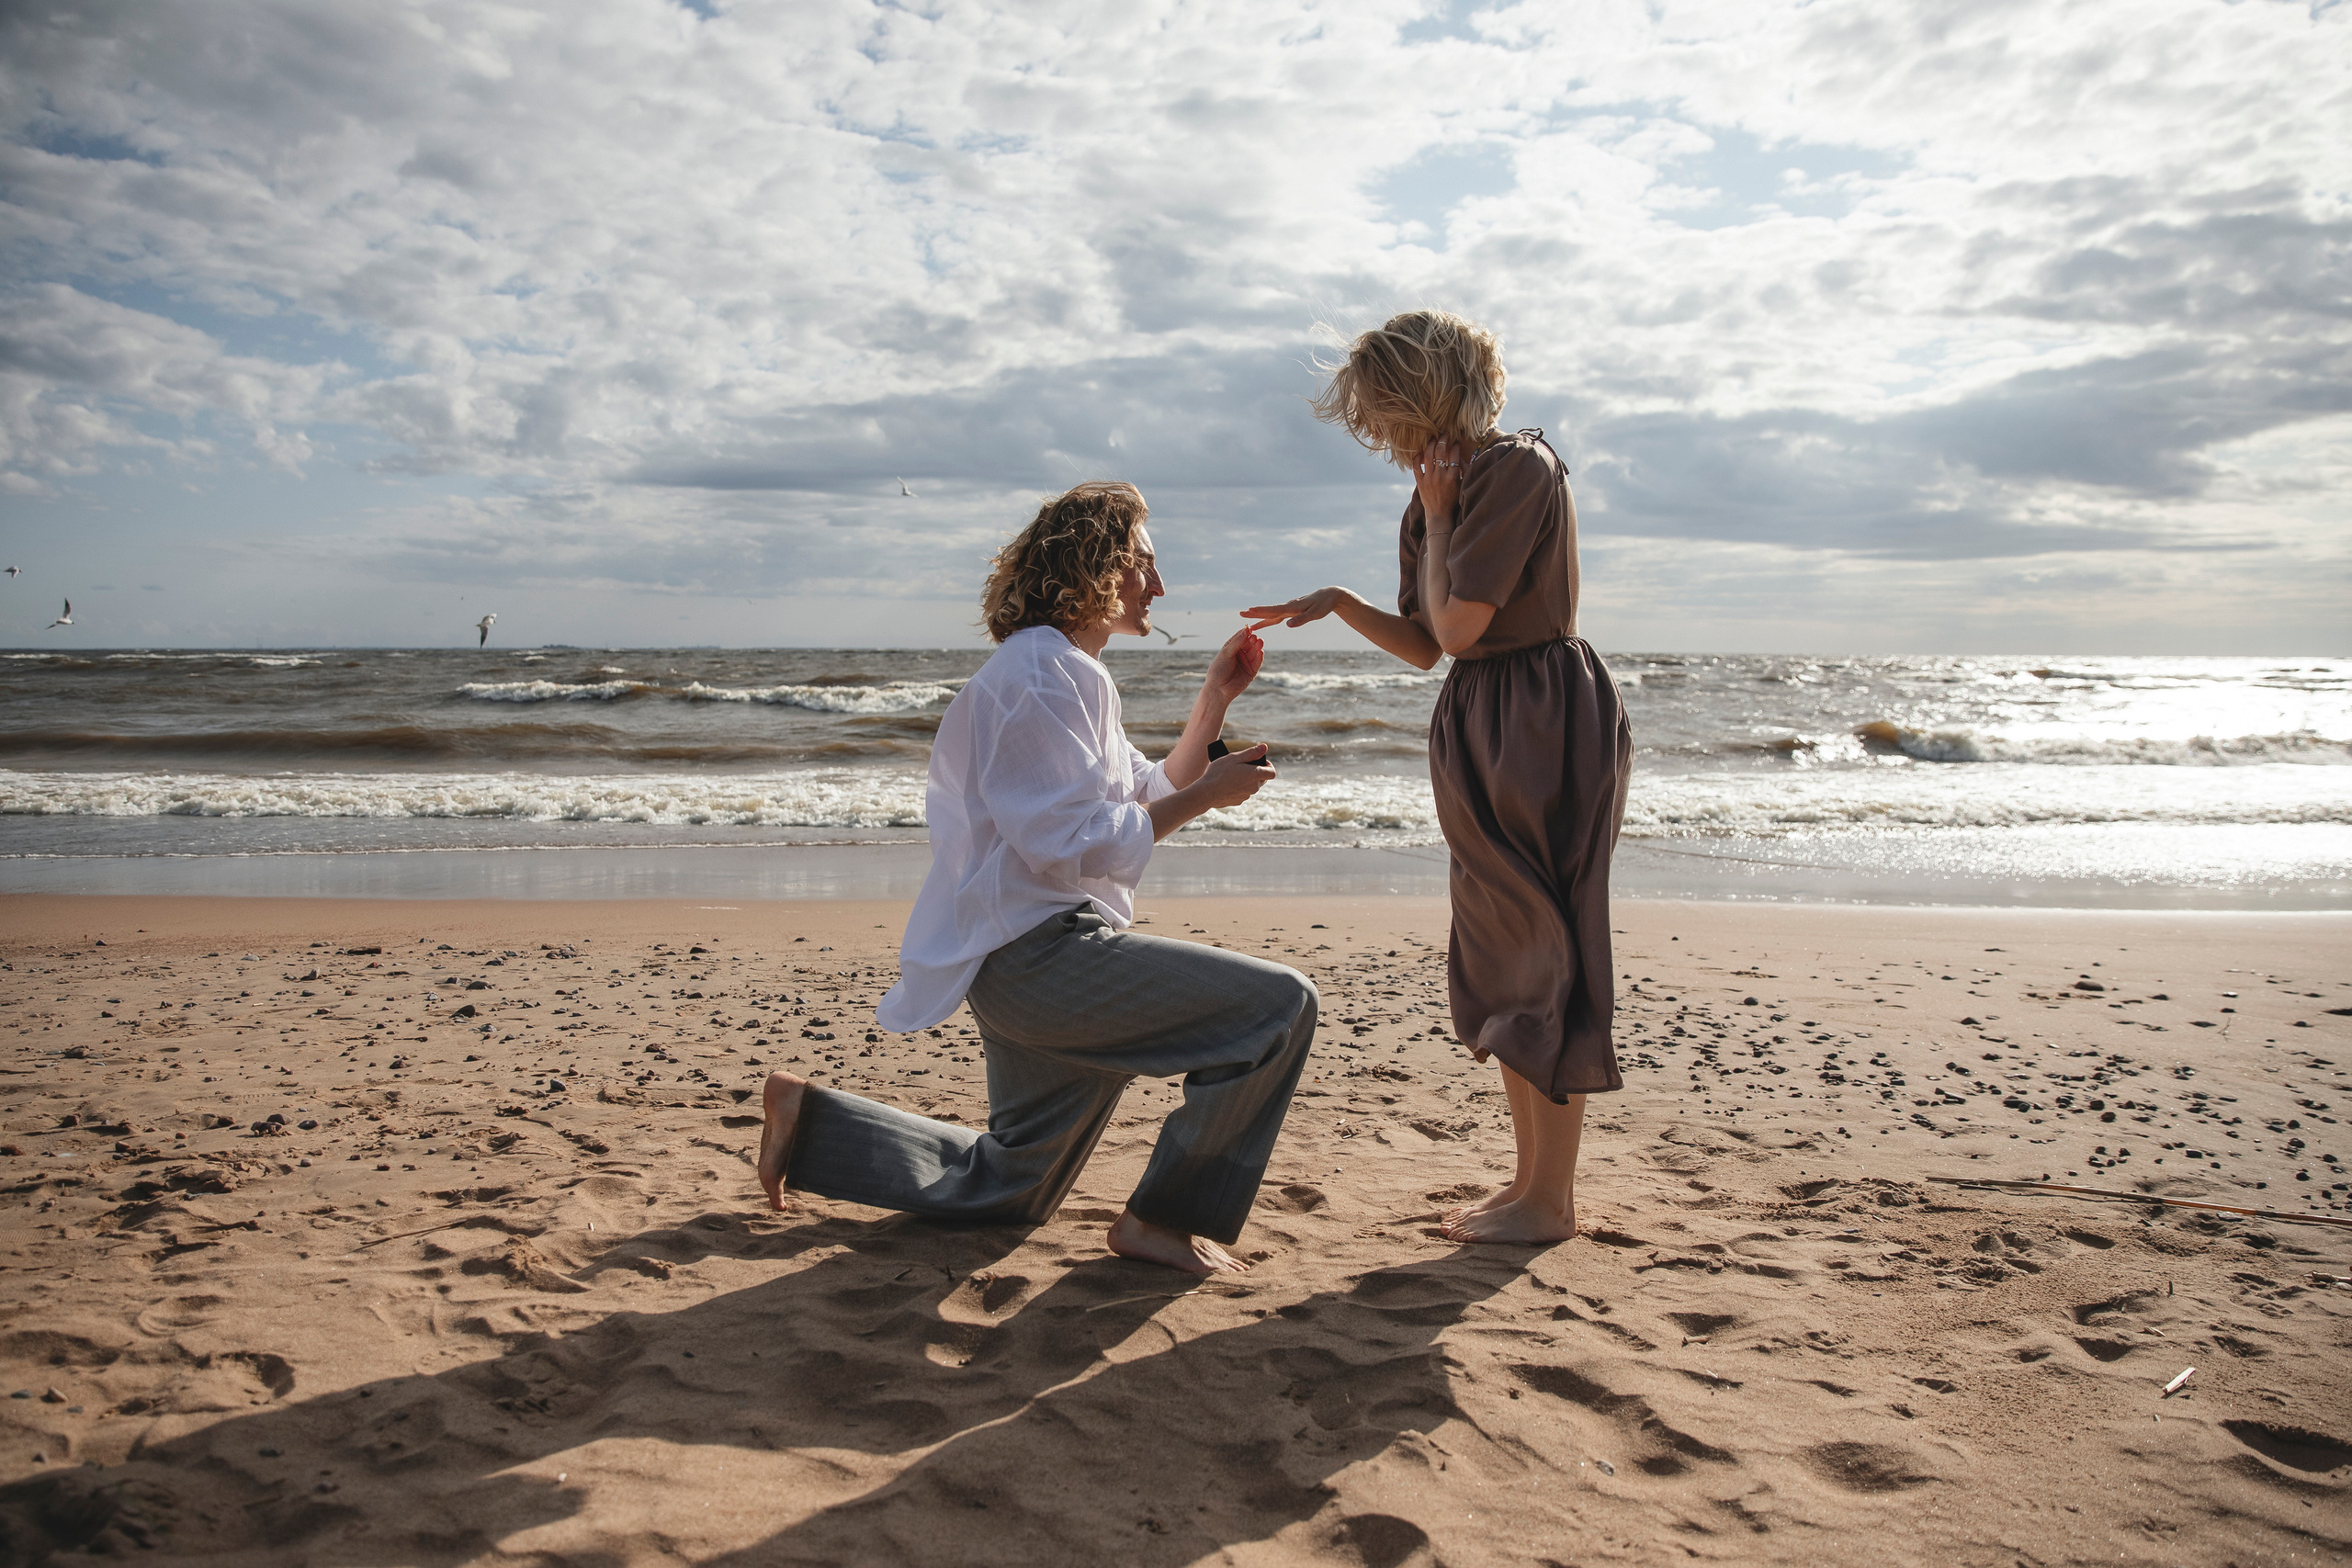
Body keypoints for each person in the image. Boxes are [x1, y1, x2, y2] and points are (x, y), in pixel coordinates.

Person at [757, 479, 1319, 1275]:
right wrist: (1204, 798)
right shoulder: (1043, 673)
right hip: (1044, 959)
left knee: (1014, 1180)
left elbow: (1139, 794)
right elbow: (1066, 843)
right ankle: (1163, 1218)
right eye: (1146, 565)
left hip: (1028, 958)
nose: (1159, 585)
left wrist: (1212, 704)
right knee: (1280, 1007)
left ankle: (809, 1122)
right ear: (1100, 563)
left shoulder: (1061, 670)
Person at [1243, 310, 1632, 1246]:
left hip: (1537, 716)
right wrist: (1339, 602)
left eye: (1379, 408)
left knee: (1543, 943)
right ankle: (1529, 1181)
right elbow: (1426, 647)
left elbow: (1459, 627)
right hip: (1478, 715)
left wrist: (1446, 514)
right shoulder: (1435, 491)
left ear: (1419, 392)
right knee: (1502, 945)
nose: (1374, 430)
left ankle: (1551, 1200)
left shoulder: (1513, 472)